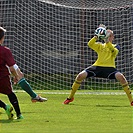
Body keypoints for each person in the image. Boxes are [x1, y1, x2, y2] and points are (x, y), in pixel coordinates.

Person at [63, 24, 133, 106]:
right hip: (97, 67)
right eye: (106, 34)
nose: (108, 37)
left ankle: (131, 101)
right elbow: (90, 44)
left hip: (110, 69)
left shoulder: (116, 46)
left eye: (110, 35)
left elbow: (113, 51)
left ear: (112, 37)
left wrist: (107, 41)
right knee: (80, 76)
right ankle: (70, 97)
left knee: (121, 77)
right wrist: (96, 36)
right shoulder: (100, 45)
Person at [0, 26, 47, 103]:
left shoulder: (5, 50)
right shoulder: (5, 50)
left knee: (20, 75)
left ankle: (34, 96)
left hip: (4, 57)